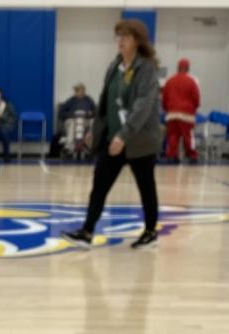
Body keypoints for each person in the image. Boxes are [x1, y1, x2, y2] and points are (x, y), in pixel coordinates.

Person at [63, 18, 162, 249]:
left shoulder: (146, 69)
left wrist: (123, 135)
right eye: (119, 36)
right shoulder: (115, 66)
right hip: (112, 139)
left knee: (146, 187)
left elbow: (142, 106)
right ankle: (87, 231)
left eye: (125, 36)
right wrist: (95, 131)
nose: (120, 41)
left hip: (138, 140)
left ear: (137, 40)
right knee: (99, 185)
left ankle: (150, 232)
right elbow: (106, 102)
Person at [162, 58, 200, 161]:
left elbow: (164, 98)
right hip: (187, 114)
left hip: (172, 114)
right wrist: (194, 109)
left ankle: (172, 155)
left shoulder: (170, 81)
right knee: (188, 136)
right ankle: (191, 155)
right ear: (188, 68)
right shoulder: (191, 82)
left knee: (173, 136)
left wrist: (167, 109)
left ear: (177, 68)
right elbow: (196, 98)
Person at [49, 84, 97, 157]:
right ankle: (69, 147)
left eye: (82, 92)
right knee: (72, 124)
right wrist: (72, 114)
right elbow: (61, 113)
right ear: (75, 92)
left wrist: (90, 114)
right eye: (78, 92)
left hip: (85, 120)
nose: (80, 94)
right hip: (73, 120)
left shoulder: (89, 100)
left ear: (84, 92)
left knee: (93, 122)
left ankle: (90, 146)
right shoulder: (70, 101)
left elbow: (96, 111)